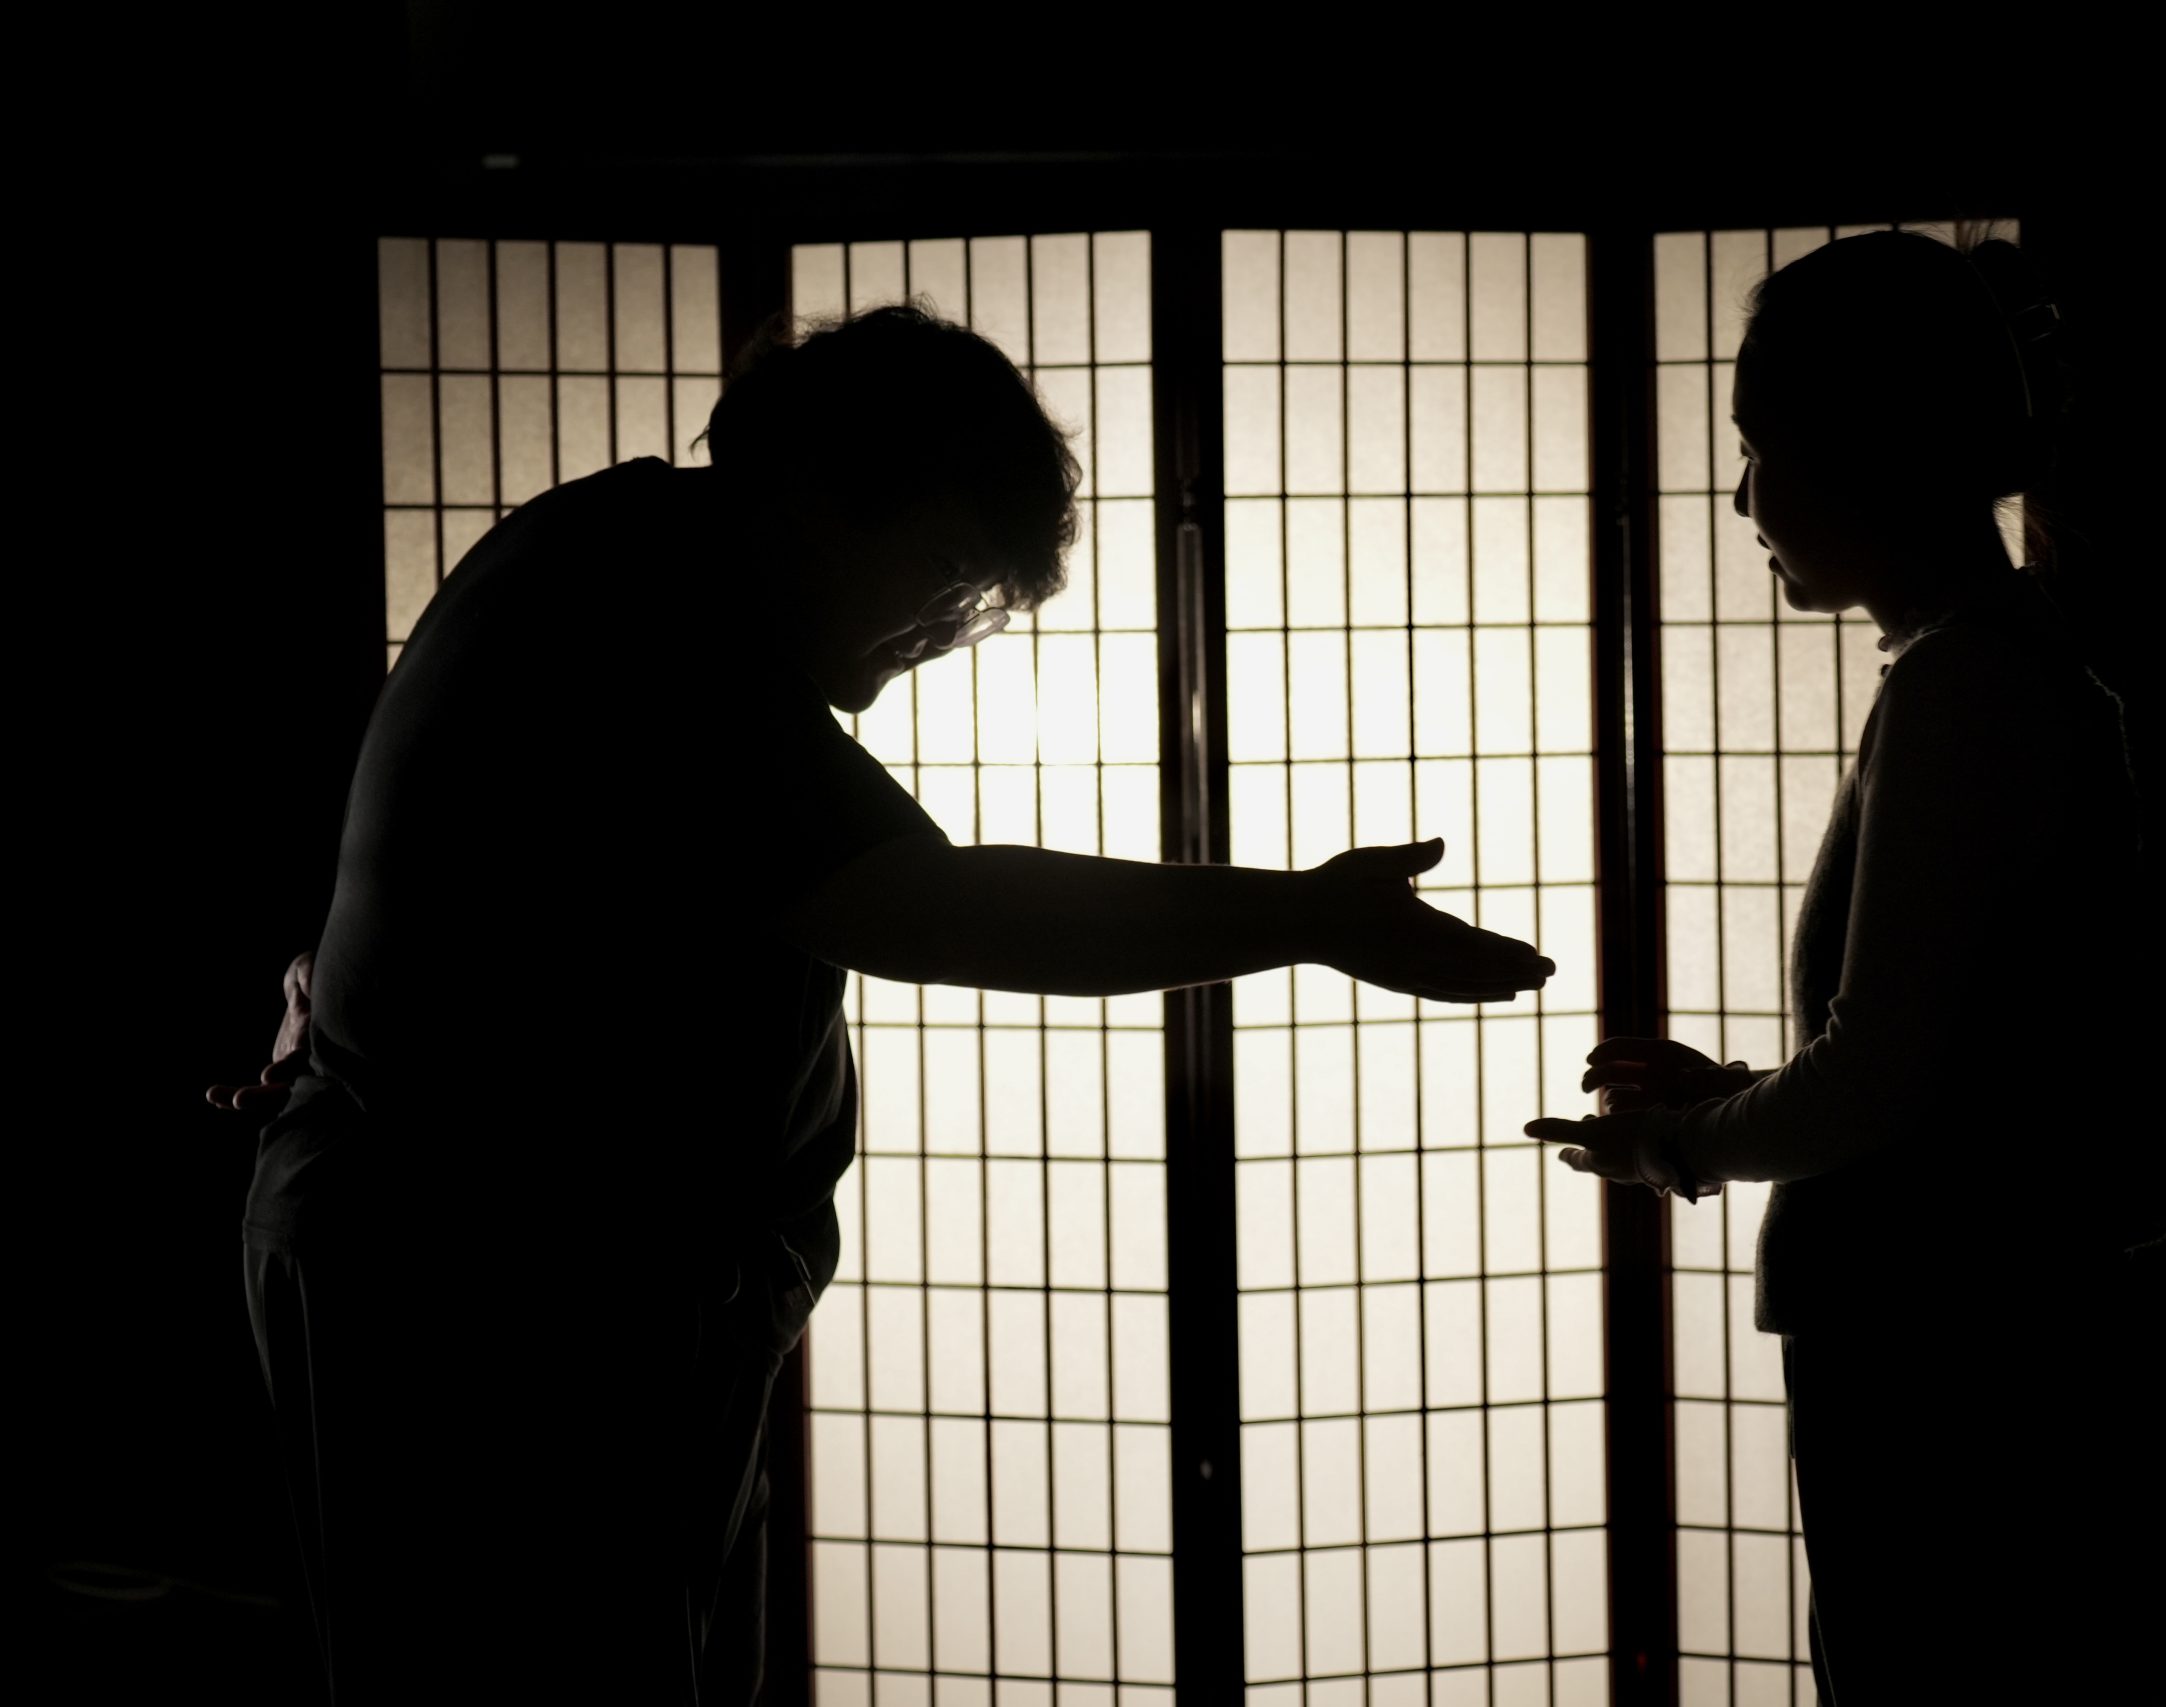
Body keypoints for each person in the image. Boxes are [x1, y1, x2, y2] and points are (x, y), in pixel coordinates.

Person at [218, 303, 1551, 1705]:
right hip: (483, 1302)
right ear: (816, 488)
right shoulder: (659, 619)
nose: (945, 631)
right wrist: (1303, 916)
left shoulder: (620, 563)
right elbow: (928, 905)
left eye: (969, 599)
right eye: (940, 573)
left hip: (539, 1280)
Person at [1527, 229, 2166, 1701]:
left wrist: (1681, 1140)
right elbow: (1962, 1060)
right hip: (1979, 1325)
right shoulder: (1987, 667)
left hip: (1944, 1351)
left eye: (1761, 448)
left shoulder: (1967, 690)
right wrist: (1746, 1094)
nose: (1741, 492)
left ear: (1858, 449)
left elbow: (1882, 1082)